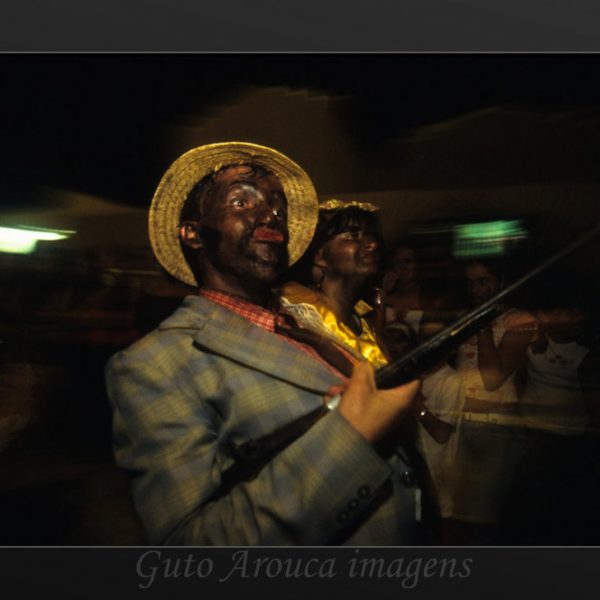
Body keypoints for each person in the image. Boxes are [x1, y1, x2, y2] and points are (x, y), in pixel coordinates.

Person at [105, 142, 421, 546]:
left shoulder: (310, 322)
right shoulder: (156, 363)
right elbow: (192, 547)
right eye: (242, 201)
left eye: (277, 205)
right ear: (193, 234)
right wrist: (351, 437)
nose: (272, 213)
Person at [450, 259, 536, 543]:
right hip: (459, 420)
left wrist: (482, 325)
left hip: (496, 426)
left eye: (483, 281)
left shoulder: (520, 320)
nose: (475, 289)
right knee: (456, 508)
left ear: (500, 281)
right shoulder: (464, 315)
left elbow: (493, 379)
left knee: (483, 513)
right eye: (470, 282)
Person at [280, 199, 388, 368]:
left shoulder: (365, 322)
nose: (373, 245)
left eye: (372, 237)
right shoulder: (295, 308)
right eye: (354, 236)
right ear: (319, 256)